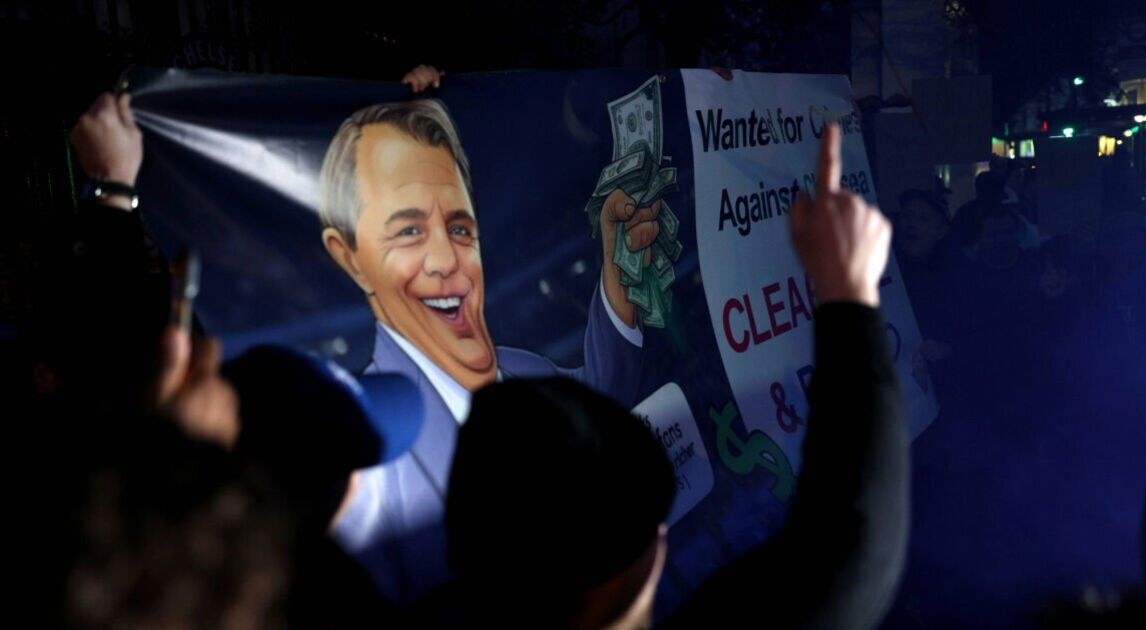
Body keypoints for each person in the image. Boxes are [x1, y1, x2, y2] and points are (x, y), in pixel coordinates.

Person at [408, 124, 909, 628]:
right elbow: (850, 550)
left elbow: (601, 386)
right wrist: (848, 289)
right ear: (626, 578)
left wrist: (617, 270)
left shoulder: (518, 370)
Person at [317, 97, 659, 599]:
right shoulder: (364, 461)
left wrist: (618, 267)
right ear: (350, 259)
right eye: (409, 231)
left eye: (459, 228)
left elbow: (604, 399)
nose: (445, 259)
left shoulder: (523, 371)